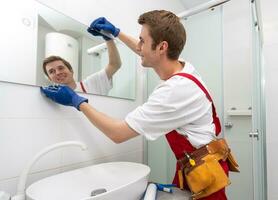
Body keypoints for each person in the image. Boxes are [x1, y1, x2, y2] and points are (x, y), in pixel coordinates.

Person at [41, 10, 238, 199]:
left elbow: (117, 133)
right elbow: (148, 51)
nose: (139, 46)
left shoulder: (174, 91)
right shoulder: (181, 67)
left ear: (162, 47)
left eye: (143, 40)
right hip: (195, 166)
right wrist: (116, 33)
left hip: (205, 175)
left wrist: (77, 101)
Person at [42, 38, 121, 95]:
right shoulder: (52, 98)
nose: (58, 72)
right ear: (49, 78)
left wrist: (108, 39)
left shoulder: (91, 83)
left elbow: (114, 65)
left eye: (61, 68)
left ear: (71, 70)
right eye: (52, 71)